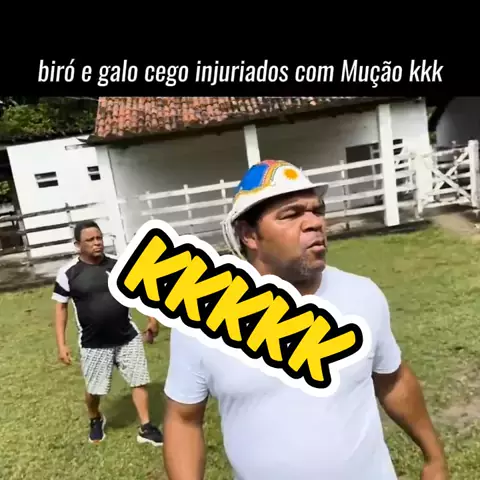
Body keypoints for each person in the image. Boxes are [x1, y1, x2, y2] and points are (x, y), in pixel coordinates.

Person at [162, 160, 449, 479]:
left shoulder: (362, 295)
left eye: (317, 210)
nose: (314, 223)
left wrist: (434, 456)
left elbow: (392, 380)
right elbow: (183, 419)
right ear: (249, 235)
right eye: (292, 214)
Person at [52, 220, 164, 446]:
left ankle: (146, 427)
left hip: (127, 337)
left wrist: (152, 319)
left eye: (99, 238)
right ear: (78, 245)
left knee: (138, 381)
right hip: (93, 342)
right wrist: (62, 344)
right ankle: (95, 418)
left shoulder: (118, 265)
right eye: (90, 240)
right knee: (95, 390)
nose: (97, 243)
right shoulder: (68, 273)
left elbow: (138, 293)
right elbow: (61, 308)